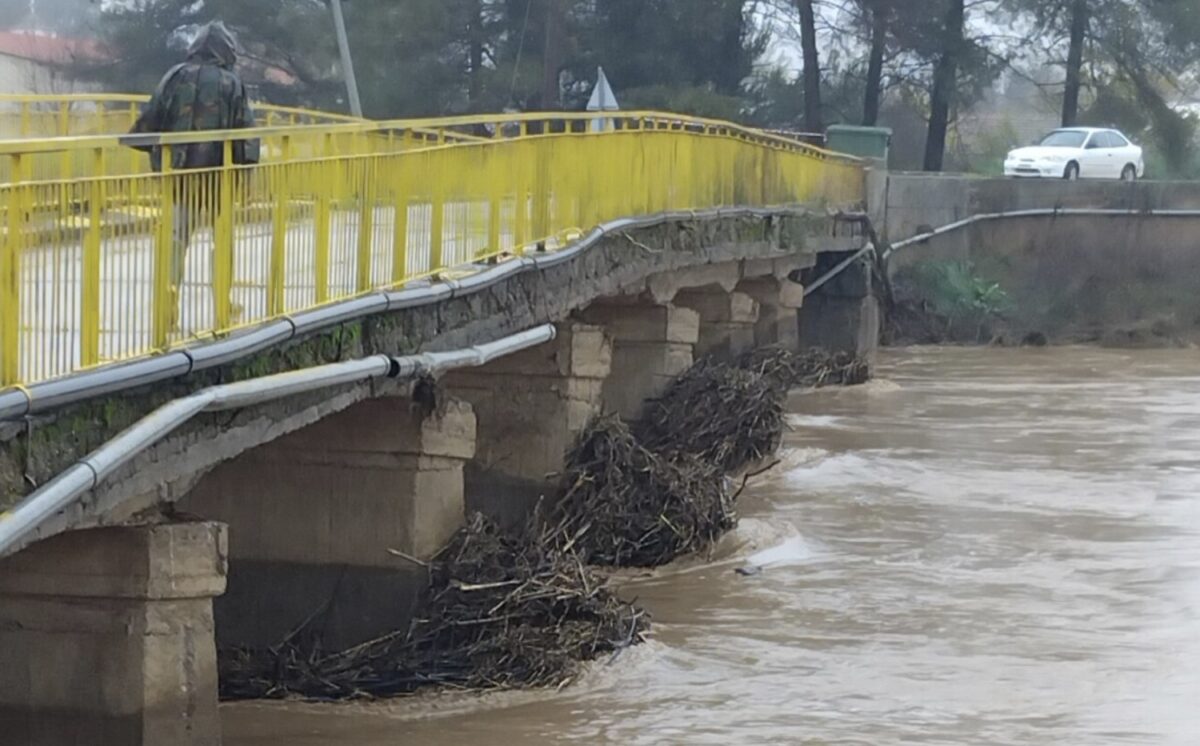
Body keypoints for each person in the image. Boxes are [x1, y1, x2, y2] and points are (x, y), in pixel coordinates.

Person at [131, 20, 258, 329]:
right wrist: (247, 179)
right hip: (219, 176)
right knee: (222, 238)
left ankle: (166, 307)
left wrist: (160, 162)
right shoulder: (232, 83)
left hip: (179, 174)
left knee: (175, 238)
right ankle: (222, 306)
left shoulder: (173, 77)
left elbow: (147, 126)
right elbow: (247, 138)